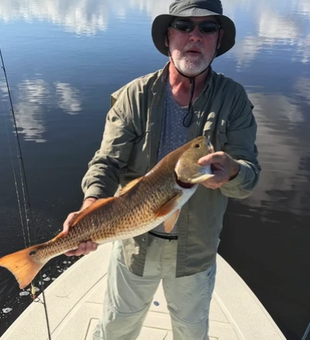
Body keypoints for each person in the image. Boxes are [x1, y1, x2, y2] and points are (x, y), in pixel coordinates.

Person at [63, 0, 261, 339]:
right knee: (116, 328)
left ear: (219, 37)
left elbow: (248, 177)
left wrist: (232, 172)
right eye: (184, 26)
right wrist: (90, 205)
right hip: (134, 243)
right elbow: (106, 161)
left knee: (191, 332)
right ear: (168, 36)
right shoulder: (133, 96)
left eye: (207, 28)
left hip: (195, 252)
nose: (194, 36)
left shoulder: (235, 99)